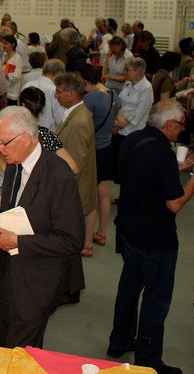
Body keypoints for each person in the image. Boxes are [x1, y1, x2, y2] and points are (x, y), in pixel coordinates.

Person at [108, 100, 194, 374]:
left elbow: (141, 176)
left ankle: (119, 342)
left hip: (128, 230)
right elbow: (174, 204)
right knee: (156, 299)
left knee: (128, 289)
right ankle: (148, 360)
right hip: (155, 238)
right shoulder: (161, 153)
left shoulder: (133, 139)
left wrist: (175, 170)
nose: (182, 130)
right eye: (181, 125)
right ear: (169, 125)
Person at [0, 106, 84, 348]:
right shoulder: (15, 165)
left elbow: (72, 240)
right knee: (4, 344)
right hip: (8, 276)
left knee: (21, 354)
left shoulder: (58, 175)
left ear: (25, 138)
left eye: (3, 143)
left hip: (37, 284)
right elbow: (14, 213)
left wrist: (18, 242)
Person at [54, 72, 98, 257]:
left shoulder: (78, 122)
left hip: (73, 187)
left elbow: (73, 164)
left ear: (71, 94)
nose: (56, 95)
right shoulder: (78, 113)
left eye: (58, 91)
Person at [79, 64, 121, 249]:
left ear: (86, 81)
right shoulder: (113, 94)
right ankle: (102, 233)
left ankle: (86, 242)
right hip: (107, 147)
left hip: (92, 150)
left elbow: (83, 125)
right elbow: (122, 120)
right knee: (103, 193)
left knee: (88, 195)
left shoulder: (90, 98)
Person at [112, 58, 154, 181]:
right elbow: (120, 102)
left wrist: (120, 124)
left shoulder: (146, 88)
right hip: (120, 128)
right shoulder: (128, 82)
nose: (125, 72)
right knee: (119, 166)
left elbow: (139, 112)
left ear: (137, 72)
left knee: (130, 166)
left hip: (133, 131)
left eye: (127, 70)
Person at [23, 58, 65, 133]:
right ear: (59, 73)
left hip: (28, 131)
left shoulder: (27, 85)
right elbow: (60, 118)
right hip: (48, 134)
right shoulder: (54, 90)